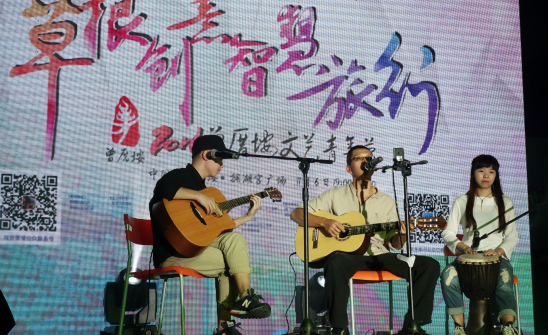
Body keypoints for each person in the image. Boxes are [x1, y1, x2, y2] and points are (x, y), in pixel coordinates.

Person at [290, 145, 440, 335]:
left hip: (380, 257)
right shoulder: (335, 194)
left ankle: (413, 325)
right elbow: (297, 214)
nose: (365, 161)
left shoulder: (386, 201)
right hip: (347, 258)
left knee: (429, 265)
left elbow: (394, 244)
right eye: (359, 158)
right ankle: (339, 328)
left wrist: (403, 233)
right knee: (336, 261)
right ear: (349, 168)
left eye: (369, 158)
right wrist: (325, 222)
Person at [149, 135, 271, 335]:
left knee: (234, 239)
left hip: (197, 251)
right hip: (173, 254)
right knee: (231, 263)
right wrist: (197, 195)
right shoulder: (178, 176)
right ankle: (225, 326)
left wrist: (247, 216)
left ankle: (244, 296)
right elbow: (164, 189)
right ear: (207, 155)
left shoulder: (209, 191)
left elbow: (220, 230)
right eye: (220, 159)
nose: (222, 165)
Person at [441, 154, 519, 335]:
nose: (486, 176)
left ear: (496, 175)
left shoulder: (505, 202)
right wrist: (463, 247)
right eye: (481, 170)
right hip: (468, 257)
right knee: (447, 276)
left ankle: (508, 326)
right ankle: (459, 328)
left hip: (496, 258)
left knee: (504, 280)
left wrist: (498, 251)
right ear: (473, 173)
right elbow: (448, 233)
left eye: (491, 172)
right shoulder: (462, 201)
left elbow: (512, 236)